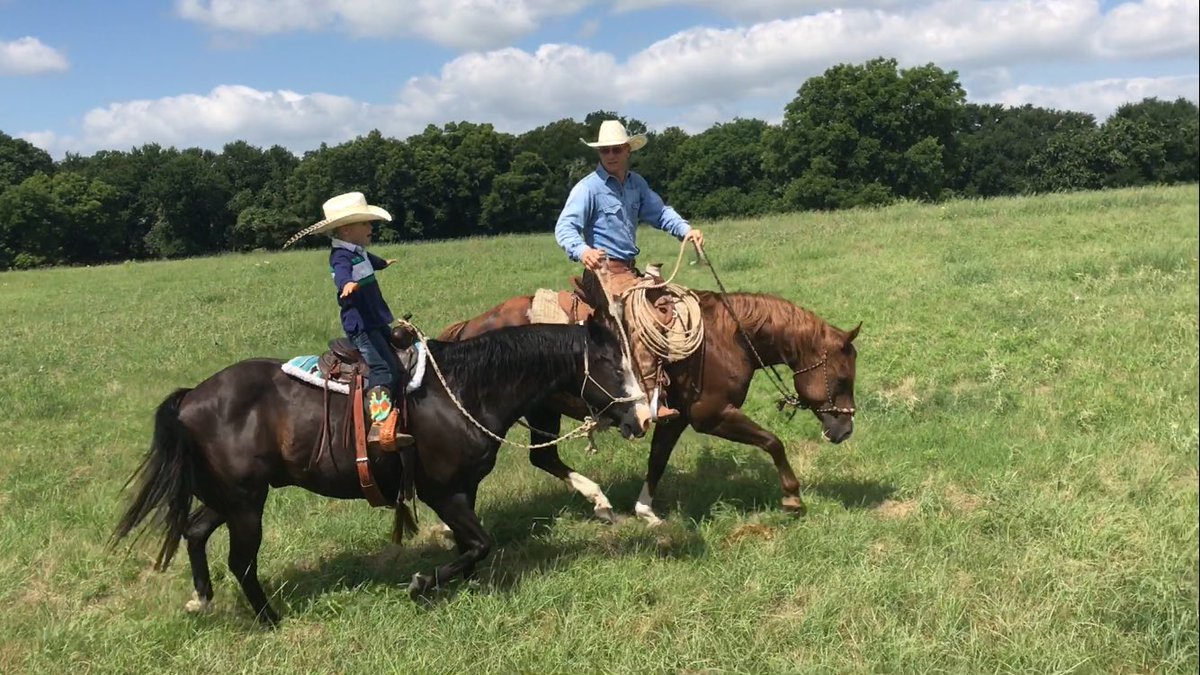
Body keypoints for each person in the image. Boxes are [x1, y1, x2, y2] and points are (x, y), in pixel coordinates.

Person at [554, 120, 705, 423]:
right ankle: (648, 401)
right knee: (639, 319)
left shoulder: (637, 184)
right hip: (603, 273)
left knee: (670, 306)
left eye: (616, 149)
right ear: (600, 153)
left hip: (628, 272)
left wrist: (685, 230)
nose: (611, 155)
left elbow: (659, 213)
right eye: (605, 150)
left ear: (628, 150)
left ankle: (678, 382)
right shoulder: (588, 188)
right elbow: (565, 227)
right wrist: (583, 251)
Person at [286, 191, 415, 450]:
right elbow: (342, 272)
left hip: (375, 318)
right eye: (365, 223)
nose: (370, 228)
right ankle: (378, 424)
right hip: (361, 325)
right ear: (346, 230)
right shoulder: (341, 256)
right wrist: (346, 284)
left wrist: (383, 263)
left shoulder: (357, 251)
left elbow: (369, 260)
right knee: (382, 369)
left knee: (397, 354)